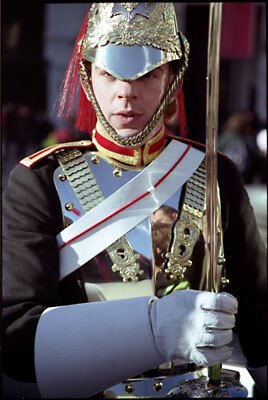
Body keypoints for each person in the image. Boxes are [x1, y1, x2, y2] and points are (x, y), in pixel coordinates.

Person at [2, 3, 266, 398]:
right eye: (109, 74)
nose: (126, 92)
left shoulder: (215, 172)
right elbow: (16, 339)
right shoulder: (39, 180)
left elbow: (260, 320)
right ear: (89, 76)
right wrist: (154, 328)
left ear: (172, 80)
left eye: (148, 74)